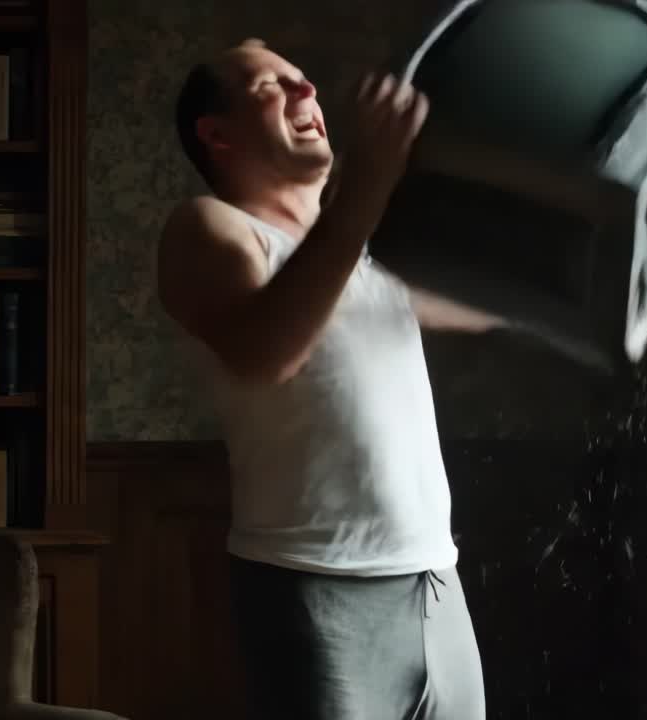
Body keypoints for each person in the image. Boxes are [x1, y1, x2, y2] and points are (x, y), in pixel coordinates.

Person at [157, 38, 495, 720]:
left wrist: (646, 276)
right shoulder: (209, 226)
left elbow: (501, 308)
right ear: (216, 136)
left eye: (303, 82)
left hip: (435, 584)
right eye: (271, 89)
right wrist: (366, 187)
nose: (305, 94)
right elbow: (265, 353)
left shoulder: (367, 258)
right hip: (314, 590)